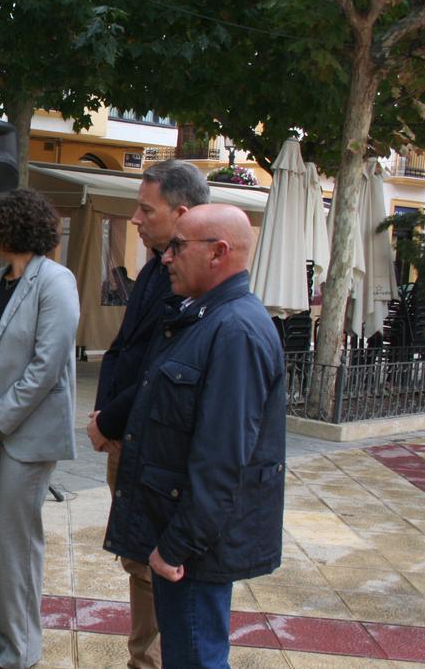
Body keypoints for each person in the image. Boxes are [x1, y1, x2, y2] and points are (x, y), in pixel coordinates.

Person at [104, 203, 286, 668]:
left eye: (179, 247)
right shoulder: (201, 319)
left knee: (195, 658)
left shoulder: (235, 330)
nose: (166, 257)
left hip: (193, 551)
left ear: (219, 252)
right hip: (179, 535)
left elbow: (223, 459)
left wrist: (175, 546)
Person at [86, 159, 209, 669]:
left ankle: (150, 661)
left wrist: (106, 420)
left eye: (144, 208)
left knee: (155, 565)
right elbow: (124, 350)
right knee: (138, 561)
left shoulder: (190, 282)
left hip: (150, 442)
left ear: (181, 213)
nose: (135, 218)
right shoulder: (156, 267)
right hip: (128, 439)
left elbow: (158, 369)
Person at [0, 189, 80, 669]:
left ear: (13, 228)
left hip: (25, 430)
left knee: (15, 542)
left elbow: (48, 365)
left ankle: (20, 652)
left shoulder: (57, 281)